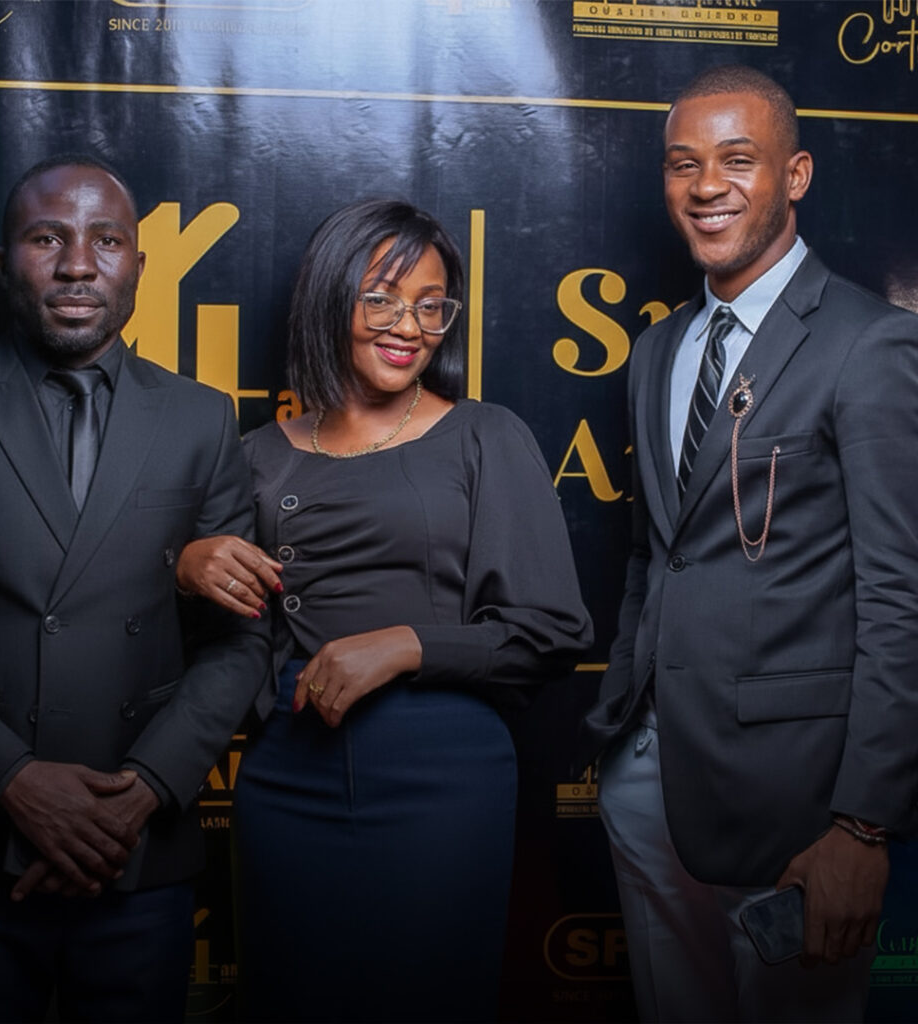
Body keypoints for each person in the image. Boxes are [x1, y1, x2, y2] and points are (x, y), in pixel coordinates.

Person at [177, 198, 593, 1022]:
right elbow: (204, 643)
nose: (410, 326)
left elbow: (552, 631)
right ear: (330, 297)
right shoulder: (255, 456)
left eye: (432, 305)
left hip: (442, 768)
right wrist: (187, 569)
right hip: (287, 766)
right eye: (381, 298)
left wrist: (405, 646)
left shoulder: (484, 436)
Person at [0, 155, 270, 1022]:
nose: (76, 265)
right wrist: (13, 781)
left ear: (138, 263)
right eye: (46, 239)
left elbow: (241, 636)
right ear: (3, 264)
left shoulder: (201, 417)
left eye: (106, 241)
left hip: (136, 851)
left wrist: (144, 788)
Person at [579, 65, 918, 1022]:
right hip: (649, 781)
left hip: (797, 801)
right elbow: (656, 553)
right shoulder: (658, 350)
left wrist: (863, 825)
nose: (706, 186)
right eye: (682, 163)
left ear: (795, 175)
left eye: (738, 159)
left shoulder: (869, 344)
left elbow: (902, 596)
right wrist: (622, 724)